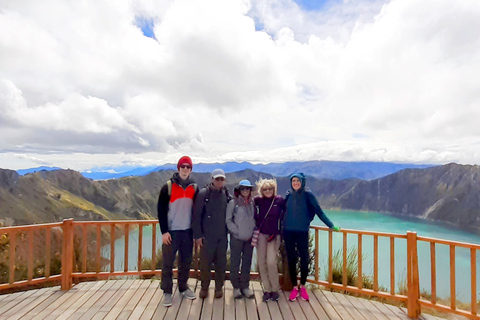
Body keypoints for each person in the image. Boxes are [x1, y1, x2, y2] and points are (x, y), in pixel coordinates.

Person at [283, 173, 340, 302]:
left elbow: (319, 211)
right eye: (293, 180)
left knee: (304, 259)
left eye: (298, 180)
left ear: (302, 182)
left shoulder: (308, 196)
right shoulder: (288, 196)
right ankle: (294, 287)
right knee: (291, 260)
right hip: (288, 232)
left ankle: (302, 286)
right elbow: (281, 212)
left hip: (302, 232)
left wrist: (331, 225)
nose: (296, 183)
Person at [157, 156, 197, 307]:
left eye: (188, 167)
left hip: (187, 231)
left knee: (186, 261)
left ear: (191, 169)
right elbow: (160, 211)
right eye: (183, 166)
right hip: (172, 232)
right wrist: (164, 231)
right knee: (168, 262)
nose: (185, 169)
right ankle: (167, 291)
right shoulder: (167, 187)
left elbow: (196, 210)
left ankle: (183, 286)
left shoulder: (194, 188)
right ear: (178, 168)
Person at [192, 169, 231, 299]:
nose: (219, 181)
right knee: (205, 264)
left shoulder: (226, 193)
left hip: (222, 236)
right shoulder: (204, 194)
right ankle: (204, 287)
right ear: (212, 179)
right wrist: (197, 235)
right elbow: (196, 216)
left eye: (222, 179)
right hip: (207, 236)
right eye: (217, 179)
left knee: (221, 263)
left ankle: (219, 288)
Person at [254, 178, 285, 302]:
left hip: (274, 236)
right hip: (261, 235)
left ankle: (275, 289)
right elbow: (246, 203)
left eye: (270, 189)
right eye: (265, 189)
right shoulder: (258, 200)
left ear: (274, 189)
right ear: (261, 190)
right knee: (261, 262)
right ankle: (267, 289)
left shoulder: (280, 201)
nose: (268, 191)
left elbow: (288, 212)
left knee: (271, 262)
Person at [226, 180, 256, 299]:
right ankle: (236, 287)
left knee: (246, 263)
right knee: (235, 263)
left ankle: (245, 287)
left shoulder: (252, 203)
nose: (245, 191)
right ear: (239, 190)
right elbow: (228, 220)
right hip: (237, 238)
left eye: (247, 189)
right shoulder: (233, 203)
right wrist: (236, 231)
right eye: (243, 189)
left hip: (249, 238)